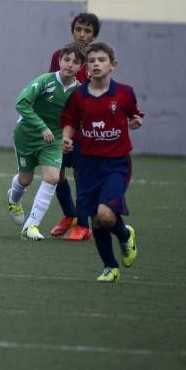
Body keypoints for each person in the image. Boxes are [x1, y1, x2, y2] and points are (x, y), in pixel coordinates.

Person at [60, 42, 143, 282]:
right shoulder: (79, 95)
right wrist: (66, 138)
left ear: (112, 65)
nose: (96, 64)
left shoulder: (124, 93)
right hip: (87, 164)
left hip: (116, 164)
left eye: (101, 60)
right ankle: (110, 267)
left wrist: (135, 122)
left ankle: (125, 234)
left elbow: (133, 114)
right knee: (96, 218)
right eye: (92, 61)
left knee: (105, 215)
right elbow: (71, 121)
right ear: (86, 67)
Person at [6, 43, 86, 240]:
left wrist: (68, 137)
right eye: (66, 59)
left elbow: (79, 119)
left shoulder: (80, 92)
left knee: (52, 177)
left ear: (81, 67)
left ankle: (31, 225)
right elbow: (21, 103)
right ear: (60, 60)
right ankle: (13, 199)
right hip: (27, 134)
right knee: (25, 179)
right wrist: (41, 127)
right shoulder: (45, 81)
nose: (70, 64)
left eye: (75, 62)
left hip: (54, 139)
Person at [47, 12, 102, 241]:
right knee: (56, 172)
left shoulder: (97, 60)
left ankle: (83, 224)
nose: (82, 34)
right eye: (79, 29)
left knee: (81, 175)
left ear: (94, 35)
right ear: (73, 30)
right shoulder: (60, 56)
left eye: (87, 31)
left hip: (84, 129)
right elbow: (51, 86)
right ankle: (69, 215)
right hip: (61, 126)